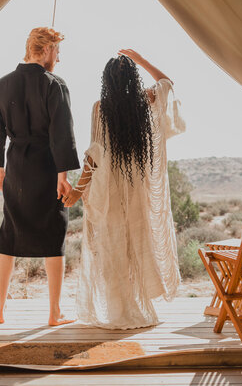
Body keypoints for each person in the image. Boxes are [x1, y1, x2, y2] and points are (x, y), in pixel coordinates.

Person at [63, 49, 185, 329]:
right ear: (133, 78)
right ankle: (136, 307)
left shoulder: (100, 109)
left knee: (112, 248)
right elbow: (166, 83)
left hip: (110, 191)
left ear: (107, 81)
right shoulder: (146, 101)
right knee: (134, 248)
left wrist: (78, 192)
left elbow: (94, 157)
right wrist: (141, 60)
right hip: (137, 189)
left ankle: (120, 310)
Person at [0, 27, 80, 326]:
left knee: (9, 235)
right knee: (54, 236)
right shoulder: (55, 84)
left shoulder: (2, 85)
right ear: (48, 50)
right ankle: (54, 313)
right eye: (58, 52)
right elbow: (61, 134)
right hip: (48, 167)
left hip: (16, 166)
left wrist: (1, 170)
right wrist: (62, 176)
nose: (59, 58)